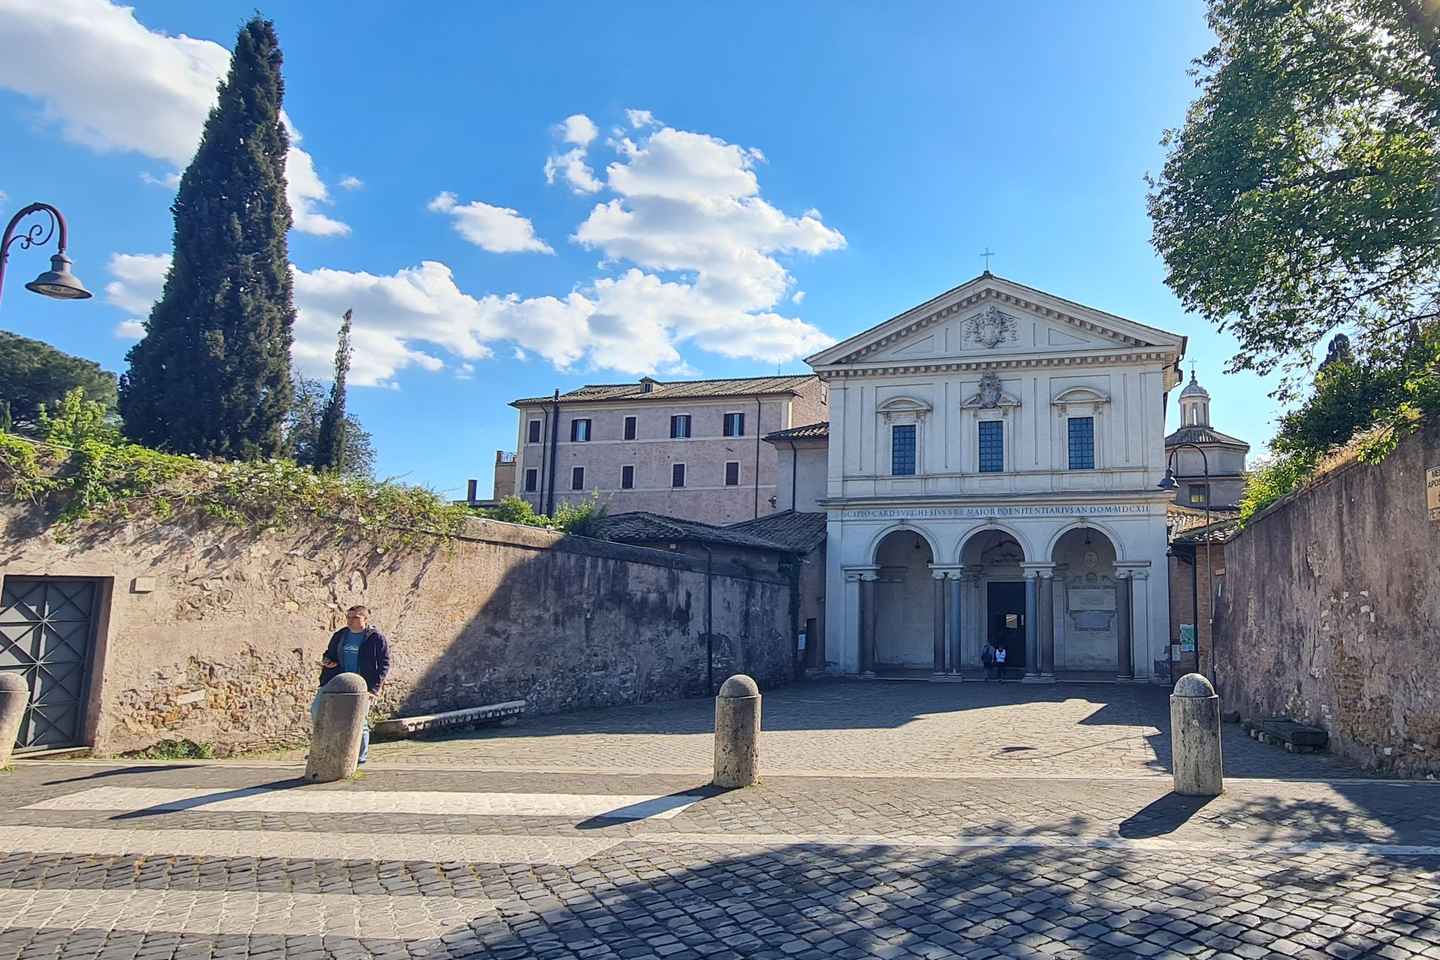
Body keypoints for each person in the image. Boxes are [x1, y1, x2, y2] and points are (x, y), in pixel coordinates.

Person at [314, 605, 391, 765]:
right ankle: (326, 748)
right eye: (348, 617)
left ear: (365, 619)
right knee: (317, 710)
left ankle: (359, 756)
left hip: (362, 685)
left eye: (355, 617)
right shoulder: (341, 634)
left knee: (360, 720)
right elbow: (329, 653)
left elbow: (384, 664)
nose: (350, 621)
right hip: (336, 681)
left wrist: (374, 689)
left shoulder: (375, 637)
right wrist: (327, 661)